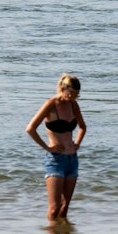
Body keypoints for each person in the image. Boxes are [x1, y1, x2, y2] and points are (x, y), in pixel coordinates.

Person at [26, 73, 87, 221]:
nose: (73, 98)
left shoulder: (73, 104)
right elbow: (30, 129)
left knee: (65, 207)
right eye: (71, 94)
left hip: (72, 160)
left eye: (76, 95)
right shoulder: (51, 104)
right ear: (63, 88)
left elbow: (82, 127)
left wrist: (77, 144)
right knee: (54, 208)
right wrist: (48, 148)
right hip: (55, 160)